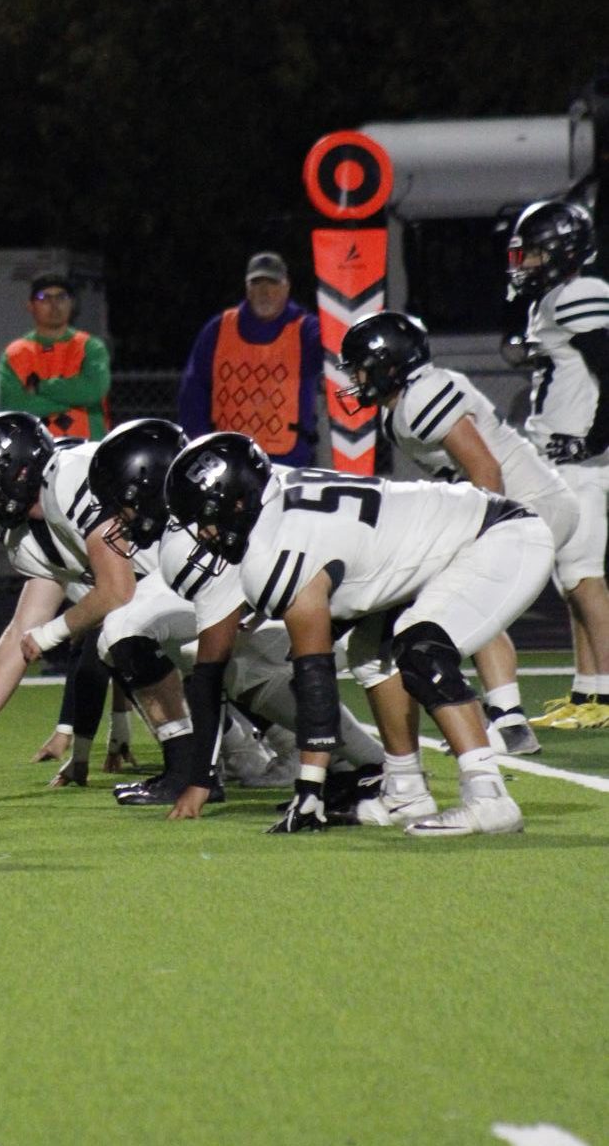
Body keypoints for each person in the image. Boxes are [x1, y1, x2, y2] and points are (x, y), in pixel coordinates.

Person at [164, 433, 555, 838]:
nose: (204, 532)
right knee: (372, 656)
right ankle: (405, 790)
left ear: (238, 501)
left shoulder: (272, 550)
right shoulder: (278, 503)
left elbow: (315, 674)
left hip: (499, 536)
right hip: (459, 538)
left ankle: (488, 795)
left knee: (420, 648)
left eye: (205, 518)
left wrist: (309, 788)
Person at [87, 419, 383, 818]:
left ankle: (372, 767)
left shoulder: (190, 540)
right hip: (371, 578)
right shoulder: (239, 488)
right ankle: (359, 769)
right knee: (236, 650)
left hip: (359, 596)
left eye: (122, 503)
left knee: (235, 662)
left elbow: (212, 664)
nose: (117, 519)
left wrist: (198, 779)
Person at [339, 309, 583, 756]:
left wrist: (479, 532)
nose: (356, 377)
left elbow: (484, 468)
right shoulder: (401, 407)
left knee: (463, 595)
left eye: (361, 366)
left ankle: (508, 721)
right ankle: (508, 720)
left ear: (390, 364)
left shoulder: (423, 394)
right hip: (512, 504)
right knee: (467, 597)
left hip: (526, 502)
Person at [0, 412, 193, 786]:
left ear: (15, 472)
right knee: (128, 638)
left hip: (200, 575)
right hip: (166, 598)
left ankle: (212, 763)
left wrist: (51, 634)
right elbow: (21, 633)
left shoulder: (70, 475)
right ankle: (236, 759)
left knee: (232, 671)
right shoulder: (28, 537)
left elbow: (117, 592)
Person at [504, 197, 609, 723]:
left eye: (534, 255)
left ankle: (608, 692)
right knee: (572, 577)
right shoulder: (553, 299)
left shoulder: (581, 294)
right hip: (560, 456)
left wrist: (595, 439)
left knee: (584, 574)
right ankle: (587, 691)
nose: (524, 265)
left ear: (563, 252)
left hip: (582, 459)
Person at [178, 251, 322, 466]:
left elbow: (335, 350)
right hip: (227, 458)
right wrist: (199, 446)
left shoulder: (306, 331)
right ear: (248, 288)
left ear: (286, 287)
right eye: (257, 283)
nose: (265, 291)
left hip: (288, 462)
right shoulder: (218, 330)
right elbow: (193, 391)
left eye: (272, 283)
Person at [0, 271, 111, 441]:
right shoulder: (16, 353)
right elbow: (14, 406)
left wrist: (40, 388)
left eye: (61, 297)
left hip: (88, 449)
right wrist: (75, 402)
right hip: (34, 452)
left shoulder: (90, 347)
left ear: (72, 303)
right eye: (44, 298)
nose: (54, 304)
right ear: (30, 305)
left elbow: (93, 392)